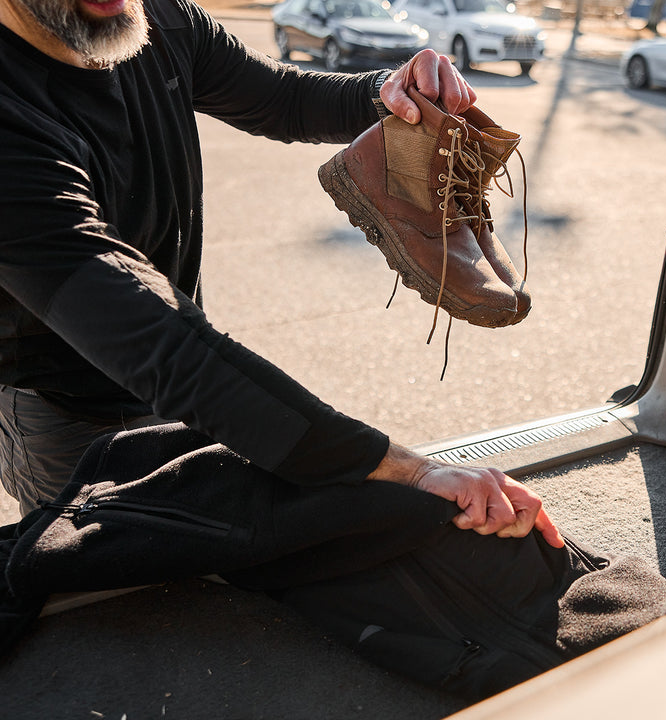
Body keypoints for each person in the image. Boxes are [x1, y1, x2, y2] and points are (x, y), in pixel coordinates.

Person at [0, 0, 563, 550]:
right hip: (66, 413)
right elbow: (152, 338)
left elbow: (280, 97)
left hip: (188, 383)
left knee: (209, 558)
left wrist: (393, 92)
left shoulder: (159, 17)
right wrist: (403, 470)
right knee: (111, 598)